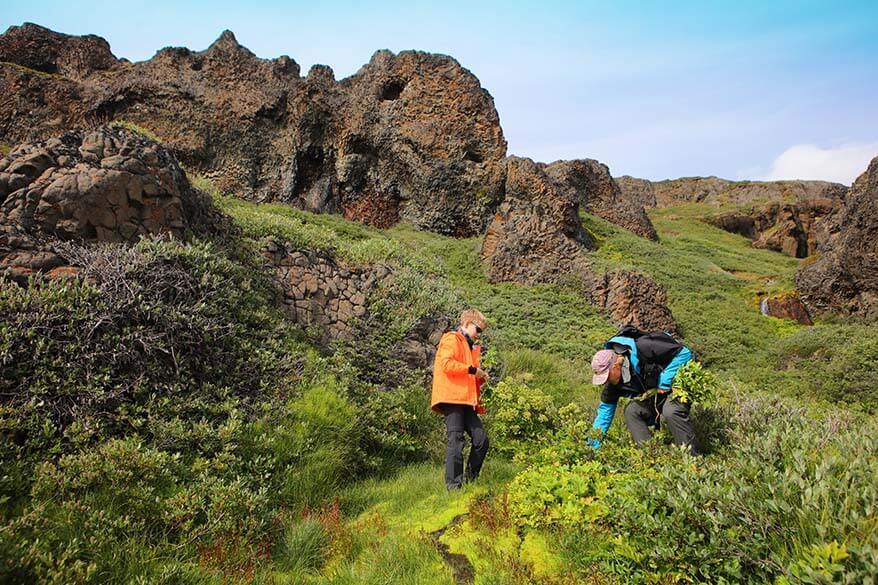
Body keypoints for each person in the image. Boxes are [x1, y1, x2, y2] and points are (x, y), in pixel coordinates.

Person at [589, 325, 700, 454]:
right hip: (655, 392)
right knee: (632, 411)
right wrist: (591, 447)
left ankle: (692, 459)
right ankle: (650, 456)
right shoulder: (613, 383)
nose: (606, 381)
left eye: (607, 376)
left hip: (677, 383)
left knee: (671, 411)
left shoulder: (644, 347)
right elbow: (604, 415)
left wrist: (664, 382)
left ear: (615, 365)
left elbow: (684, 353)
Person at [430, 309, 491, 489]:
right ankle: (453, 487)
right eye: (478, 330)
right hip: (452, 398)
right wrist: (473, 370)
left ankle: (470, 481)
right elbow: (447, 364)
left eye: (482, 332)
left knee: (481, 440)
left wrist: (480, 377)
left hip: (467, 401)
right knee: (456, 440)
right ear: (466, 324)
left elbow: (466, 373)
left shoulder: (470, 346)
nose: (479, 335)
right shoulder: (451, 338)